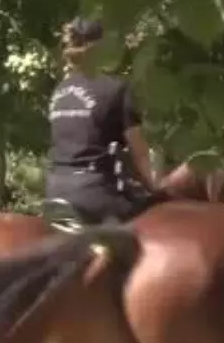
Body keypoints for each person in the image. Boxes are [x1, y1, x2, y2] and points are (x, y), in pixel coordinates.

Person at [45, 17, 162, 225]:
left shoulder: (60, 91)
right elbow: (140, 154)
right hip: (95, 194)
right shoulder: (117, 89)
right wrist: (157, 191)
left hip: (55, 191)